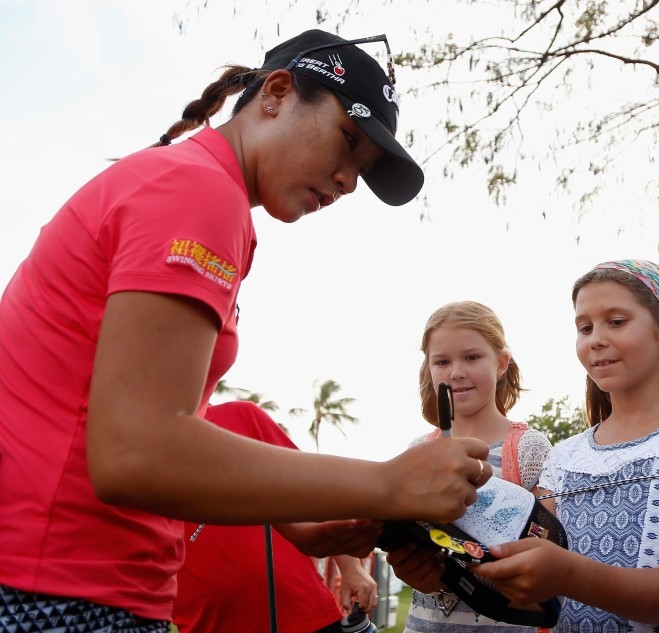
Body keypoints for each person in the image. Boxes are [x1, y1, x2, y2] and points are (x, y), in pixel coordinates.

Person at [0, 29, 492, 630]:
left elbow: (144, 429)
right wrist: (385, 484)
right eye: (348, 141)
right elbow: (136, 452)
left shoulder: (189, 185)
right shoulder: (199, 192)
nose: (346, 182)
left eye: (361, 170)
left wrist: (306, 520)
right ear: (277, 92)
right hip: (61, 589)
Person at [473, 259, 659, 632]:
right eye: (584, 327)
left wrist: (566, 573)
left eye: (616, 322)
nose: (596, 338)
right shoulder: (564, 457)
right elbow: (526, 585)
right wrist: (444, 565)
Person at [389, 301, 554, 632]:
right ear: (429, 369)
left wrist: (455, 573)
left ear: (502, 363)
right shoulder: (418, 451)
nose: (456, 372)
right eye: (442, 361)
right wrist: (410, 568)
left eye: (472, 357)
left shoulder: (530, 449)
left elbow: (545, 560)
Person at [173, 400, 378, 633]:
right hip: (205, 625)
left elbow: (310, 493)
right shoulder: (137, 449)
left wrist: (351, 568)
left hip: (308, 617)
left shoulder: (242, 416)